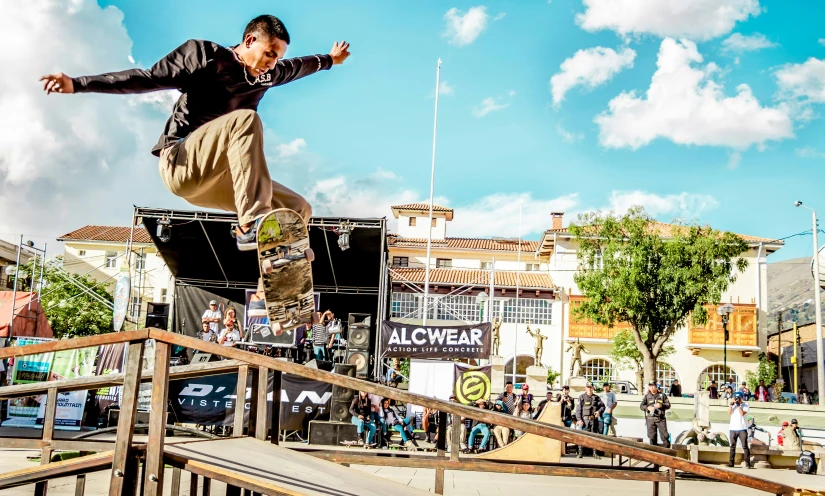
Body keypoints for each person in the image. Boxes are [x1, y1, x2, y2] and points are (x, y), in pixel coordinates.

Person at [41, 15, 351, 252]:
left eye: (277, 57)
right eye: (269, 53)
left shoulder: (269, 74)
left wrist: (330, 60)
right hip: (180, 162)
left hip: (217, 182)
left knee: (297, 209)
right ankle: (249, 225)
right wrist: (77, 83)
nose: (272, 63)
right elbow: (145, 79)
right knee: (245, 121)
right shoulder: (206, 57)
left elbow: (301, 65)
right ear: (248, 40)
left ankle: (279, 271)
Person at [575, 382, 605, 459]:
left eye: (591, 387)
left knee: (594, 437)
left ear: (593, 388)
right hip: (584, 421)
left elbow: (602, 407)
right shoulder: (582, 397)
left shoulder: (596, 397)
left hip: (594, 420)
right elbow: (578, 410)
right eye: (588, 387)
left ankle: (594, 453)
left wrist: (599, 412)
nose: (589, 389)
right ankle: (580, 453)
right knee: (582, 437)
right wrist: (579, 420)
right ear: (585, 388)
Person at [640, 381, 671, 447]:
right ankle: (654, 452)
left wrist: (661, 405)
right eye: (650, 386)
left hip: (660, 418)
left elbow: (668, 405)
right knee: (652, 437)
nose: (652, 388)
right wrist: (648, 408)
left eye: (653, 386)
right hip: (651, 419)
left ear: (656, 387)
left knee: (664, 436)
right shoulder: (647, 396)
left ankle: (667, 452)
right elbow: (641, 406)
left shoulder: (662, 395)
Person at [728, 392, 752, 468]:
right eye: (736, 398)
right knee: (732, 446)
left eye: (738, 398)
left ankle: (747, 463)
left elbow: (742, 413)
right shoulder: (733, 405)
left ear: (742, 398)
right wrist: (731, 406)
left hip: (742, 428)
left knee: (744, 446)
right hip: (733, 428)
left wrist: (738, 405)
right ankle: (731, 463)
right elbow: (729, 413)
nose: (737, 399)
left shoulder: (746, 405)